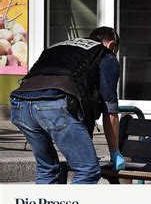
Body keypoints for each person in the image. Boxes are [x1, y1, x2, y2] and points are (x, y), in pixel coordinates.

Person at [9, 27, 125, 184]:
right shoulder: (105, 55)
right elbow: (109, 110)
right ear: (112, 45)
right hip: (54, 105)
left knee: (47, 169)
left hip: (20, 105)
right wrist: (114, 151)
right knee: (88, 170)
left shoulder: (59, 47)